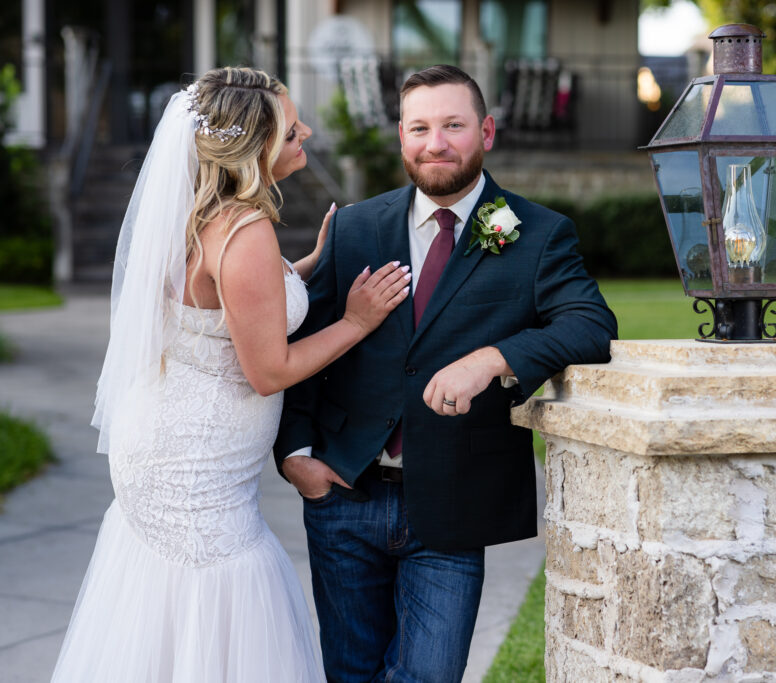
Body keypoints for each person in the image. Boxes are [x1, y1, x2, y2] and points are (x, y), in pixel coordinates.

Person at [51, 67, 409, 683]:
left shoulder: (195, 214)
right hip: (196, 470)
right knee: (215, 601)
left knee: (161, 611)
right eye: (293, 129)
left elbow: (221, 308)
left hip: (161, 438)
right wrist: (356, 320)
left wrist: (299, 270)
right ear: (257, 145)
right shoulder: (245, 232)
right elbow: (269, 370)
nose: (308, 133)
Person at [274, 64, 617, 682]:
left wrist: (492, 360)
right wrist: (297, 454)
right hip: (344, 495)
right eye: (420, 128)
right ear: (401, 137)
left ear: (485, 130)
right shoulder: (354, 229)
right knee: (349, 674)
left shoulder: (536, 235)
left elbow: (593, 327)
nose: (436, 143)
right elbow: (303, 342)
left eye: (453, 125)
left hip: (454, 505)